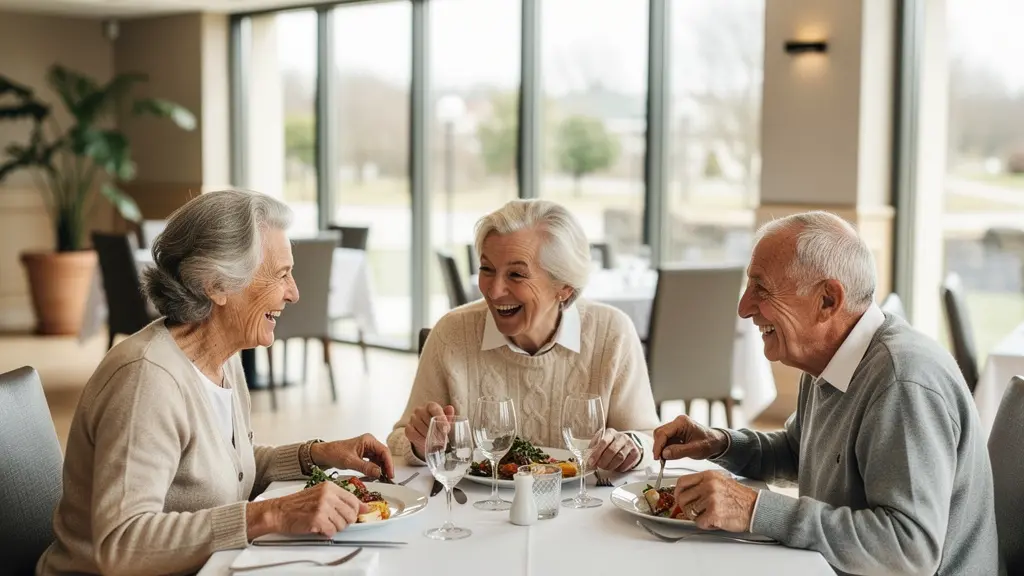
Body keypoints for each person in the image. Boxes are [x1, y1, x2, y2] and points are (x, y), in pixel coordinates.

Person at [37, 190, 395, 576]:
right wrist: (270, 513)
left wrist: (318, 454)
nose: (294, 293)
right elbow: (121, 545)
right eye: (281, 274)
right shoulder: (147, 381)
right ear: (218, 285)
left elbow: (227, 471)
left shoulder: (222, 358)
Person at [653, 211, 998, 576]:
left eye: (762, 289)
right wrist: (719, 443)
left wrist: (754, 509)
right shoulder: (830, 358)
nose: (743, 308)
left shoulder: (902, 383)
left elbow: (908, 550)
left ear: (828, 301)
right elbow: (800, 451)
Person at [388, 199, 660, 473]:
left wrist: (631, 447)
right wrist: (421, 443)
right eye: (487, 269)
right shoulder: (452, 332)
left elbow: (647, 437)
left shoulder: (612, 332)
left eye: (516, 275)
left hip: (584, 500)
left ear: (564, 287)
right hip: (475, 500)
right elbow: (400, 439)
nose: (494, 291)